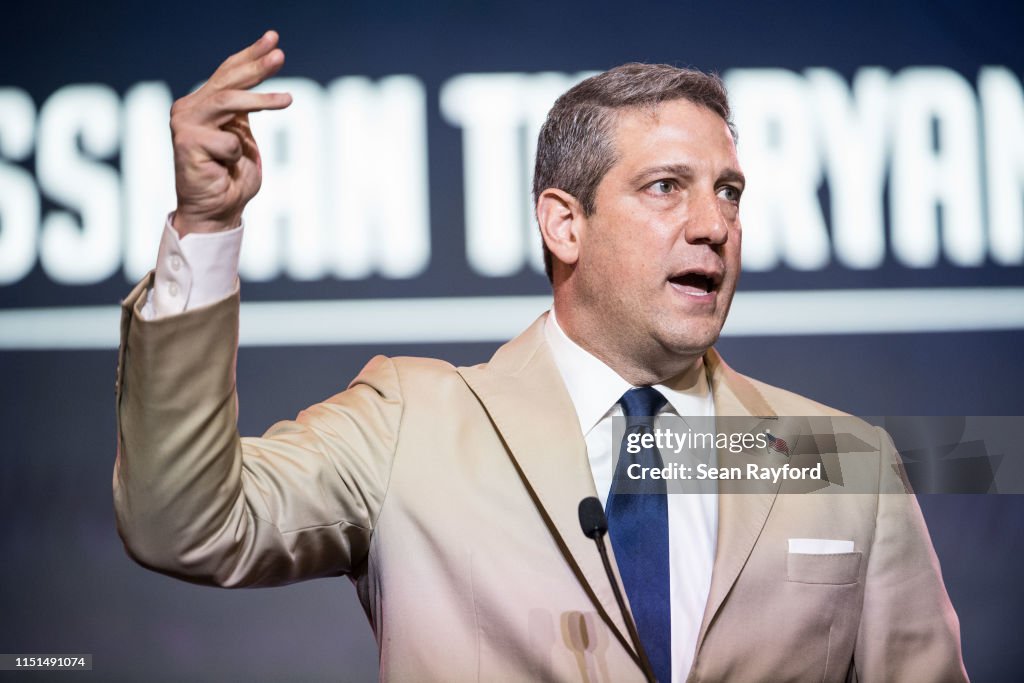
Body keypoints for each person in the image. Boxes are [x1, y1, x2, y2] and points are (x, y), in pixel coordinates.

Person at [113, 30, 969, 682]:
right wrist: (208, 229)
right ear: (565, 223)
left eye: (729, 191)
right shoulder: (414, 425)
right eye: (667, 186)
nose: (714, 224)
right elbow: (184, 521)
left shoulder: (836, 460)